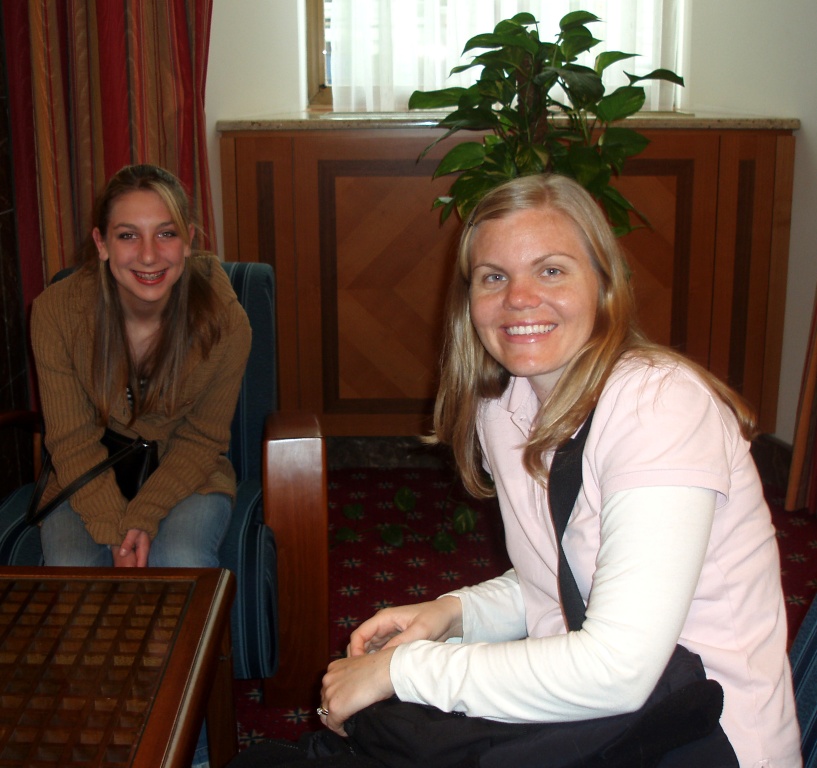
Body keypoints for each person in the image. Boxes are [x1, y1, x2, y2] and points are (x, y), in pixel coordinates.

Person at [233, 173, 801, 767]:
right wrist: (455, 613)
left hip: (697, 736)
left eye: (551, 270)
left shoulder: (659, 406)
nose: (519, 298)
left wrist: (402, 670)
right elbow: (565, 578)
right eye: (494, 277)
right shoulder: (505, 407)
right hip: (587, 724)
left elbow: (619, 670)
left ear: (605, 285)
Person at [30, 163, 251, 570]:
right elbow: (72, 440)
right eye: (128, 235)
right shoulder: (55, 314)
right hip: (85, 473)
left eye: (166, 234)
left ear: (188, 241)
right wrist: (114, 529)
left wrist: (142, 517)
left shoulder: (227, 323)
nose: (149, 255)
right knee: (72, 568)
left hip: (187, 474)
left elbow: (202, 438)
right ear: (101, 244)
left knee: (180, 559)